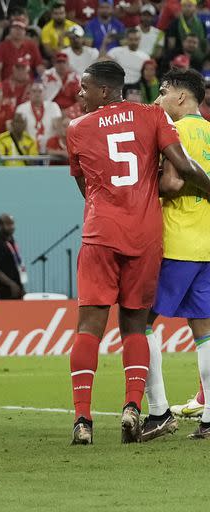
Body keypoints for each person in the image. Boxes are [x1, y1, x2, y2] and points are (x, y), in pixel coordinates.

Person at [66, 61, 210, 445]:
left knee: (94, 328)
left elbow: (86, 187)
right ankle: (140, 408)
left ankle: (90, 419)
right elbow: (184, 166)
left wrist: (117, 202)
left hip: (111, 233)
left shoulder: (78, 128)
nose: (79, 94)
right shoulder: (151, 116)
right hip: (154, 238)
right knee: (150, 326)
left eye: (84, 88)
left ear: (104, 90)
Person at [141, 69, 210, 441]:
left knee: (140, 322)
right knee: (205, 332)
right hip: (208, 245)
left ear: (181, 98)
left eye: (163, 92)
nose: (157, 100)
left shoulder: (175, 132)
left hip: (178, 242)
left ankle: (158, 412)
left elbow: (171, 182)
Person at [0, 214, 26, 300]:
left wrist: (22, 286)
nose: (12, 227)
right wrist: (11, 284)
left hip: (18, 287)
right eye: (8, 224)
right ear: (0, 226)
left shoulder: (11, 240)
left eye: (12, 224)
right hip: (6, 289)